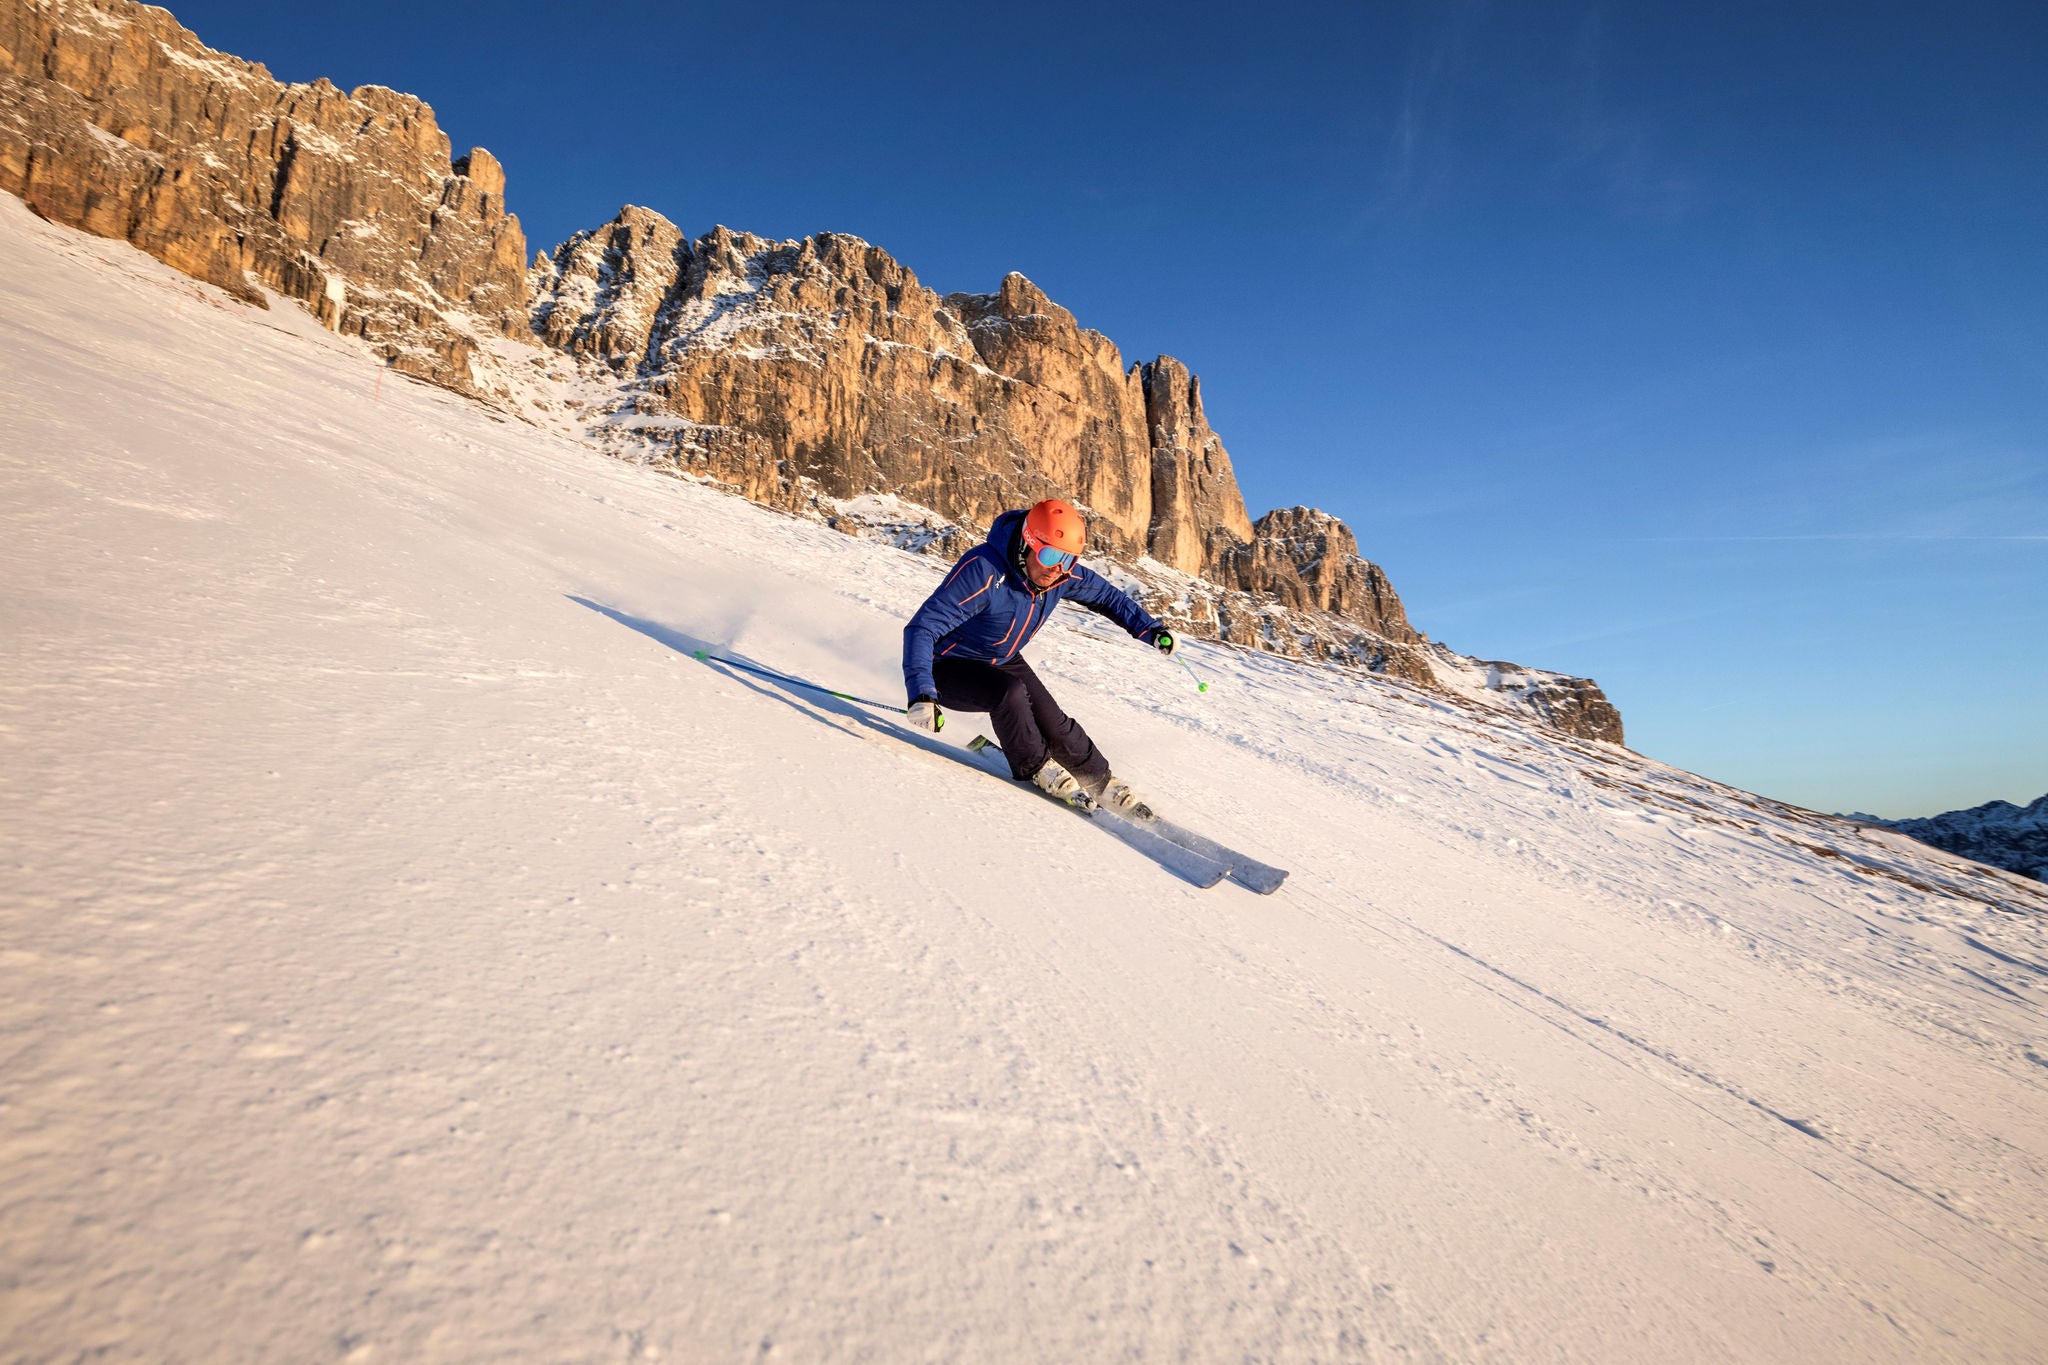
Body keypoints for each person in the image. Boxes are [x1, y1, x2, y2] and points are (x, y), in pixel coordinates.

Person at [902, 498, 1176, 811]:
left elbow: (1107, 596)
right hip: (945, 667)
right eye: (1049, 555)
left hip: (1001, 658)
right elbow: (922, 628)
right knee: (1010, 693)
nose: (1058, 568)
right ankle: (1037, 767)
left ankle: (1099, 780)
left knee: (1054, 722)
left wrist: (1151, 630)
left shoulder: (1060, 575)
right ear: (1027, 545)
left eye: (1068, 559)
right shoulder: (984, 570)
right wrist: (921, 693)